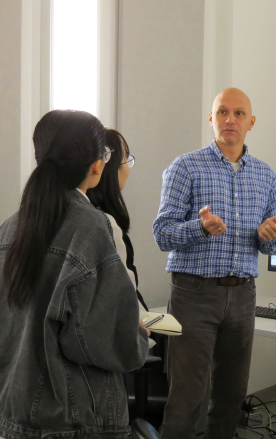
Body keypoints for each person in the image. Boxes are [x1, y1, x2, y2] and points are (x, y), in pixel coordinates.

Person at [0, 110, 149, 439]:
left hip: (12, 413)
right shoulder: (91, 227)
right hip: (74, 418)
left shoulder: (9, 228)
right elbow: (105, 341)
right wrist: (138, 336)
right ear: (97, 164)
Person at [153, 87, 276, 439]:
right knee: (187, 396)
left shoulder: (266, 175)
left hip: (242, 295)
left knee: (231, 396)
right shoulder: (185, 167)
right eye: (222, 112)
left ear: (251, 122)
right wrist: (200, 228)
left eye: (239, 113)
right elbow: (162, 234)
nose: (230, 119)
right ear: (210, 119)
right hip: (193, 293)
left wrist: (270, 237)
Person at [87, 128, 147, 310]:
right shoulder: (102, 223)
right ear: (102, 165)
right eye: (125, 159)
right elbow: (123, 296)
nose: (128, 168)